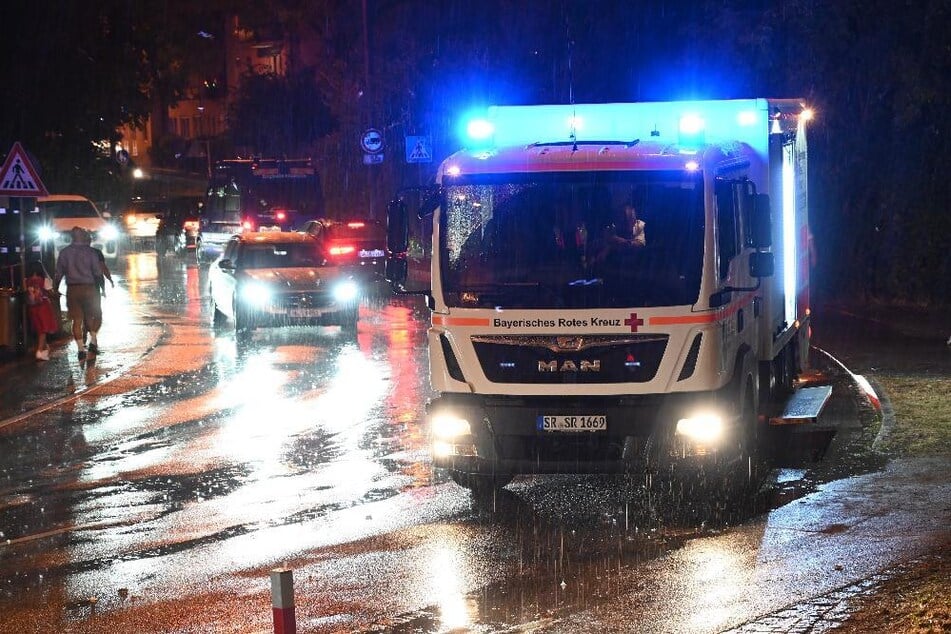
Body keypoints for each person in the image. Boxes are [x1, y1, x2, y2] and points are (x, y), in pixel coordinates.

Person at [53, 227, 105, 362]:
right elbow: (98, 273)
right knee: (90, 316)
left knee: (77, 320)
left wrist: (55, 287)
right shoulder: (90, 252)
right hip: (89, 288)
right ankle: (93, 340)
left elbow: (59, 273)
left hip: (73, 290)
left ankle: (81, 349)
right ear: (82, 237)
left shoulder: (64, 253)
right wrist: (102, 288)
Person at [24, 261, 58, 361]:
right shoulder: (44, 280)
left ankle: (44, 349)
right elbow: (50, 292)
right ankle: (39, 352)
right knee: (43, 330)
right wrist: (55, 294)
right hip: (43, 306)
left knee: (39, 328)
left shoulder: (26, 280)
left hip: (32, 307)